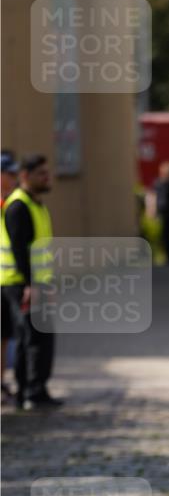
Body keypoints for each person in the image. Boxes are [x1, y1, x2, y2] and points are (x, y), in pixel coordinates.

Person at [0, 153, 61, 410]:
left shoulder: (37, 204)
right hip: (20, 283)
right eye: (41, 174)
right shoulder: (18, 206)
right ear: (25, 177)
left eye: (47, 173)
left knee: (42, 336)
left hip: (39, 282)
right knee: (31, 337)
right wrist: (29, 285)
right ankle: (29, 392)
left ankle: (39, 389)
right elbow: (19, 249)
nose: (47, 178)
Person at [1, 150, 19, 401]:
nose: (14, 177)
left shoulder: (9, 202)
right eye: (10, 173)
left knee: (4, 335)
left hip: (6, 279)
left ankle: (2, 380)